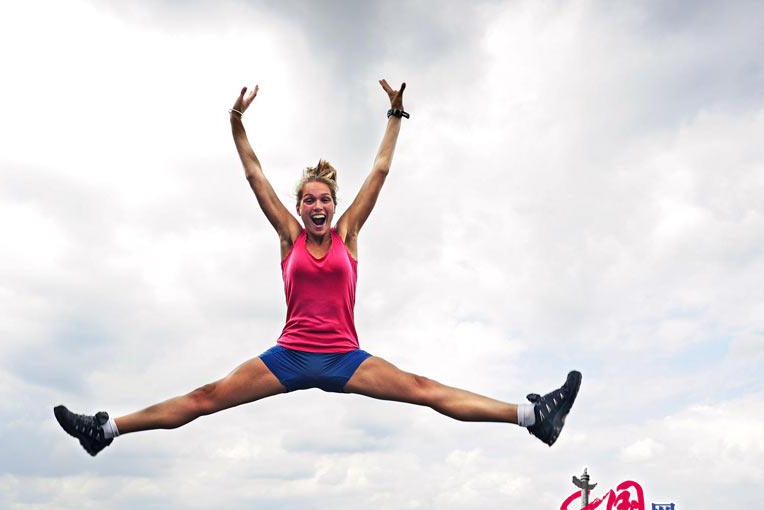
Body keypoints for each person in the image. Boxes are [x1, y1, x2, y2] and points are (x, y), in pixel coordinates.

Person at [54, 80, 581, 457]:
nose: (317, 206)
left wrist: (395, 115)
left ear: (334, 203)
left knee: (423, 388)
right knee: (205, 398)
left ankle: (534, 416)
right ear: (301, 207)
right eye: (308, 200)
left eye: (324, 198)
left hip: (344, 357)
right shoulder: (289, 237)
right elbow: (255, 175)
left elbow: (380, 169)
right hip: (289, 355)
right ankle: (105, 430)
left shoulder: (350, 233)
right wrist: (236, 123)